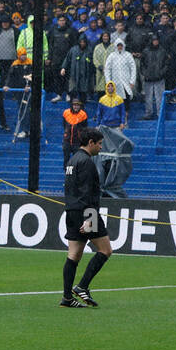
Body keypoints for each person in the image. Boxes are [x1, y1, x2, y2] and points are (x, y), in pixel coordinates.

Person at [61, 128, 113, 308]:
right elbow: (88, 193)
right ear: (90, 142)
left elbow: (70, 189)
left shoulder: (72, 160)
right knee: (105, 250)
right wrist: (90, 218)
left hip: (71, 211)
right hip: (86, 212)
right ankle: (82, 286)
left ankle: (67, 298)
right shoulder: (87, 162)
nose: (100, 147)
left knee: (73, 255)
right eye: (99, 144)